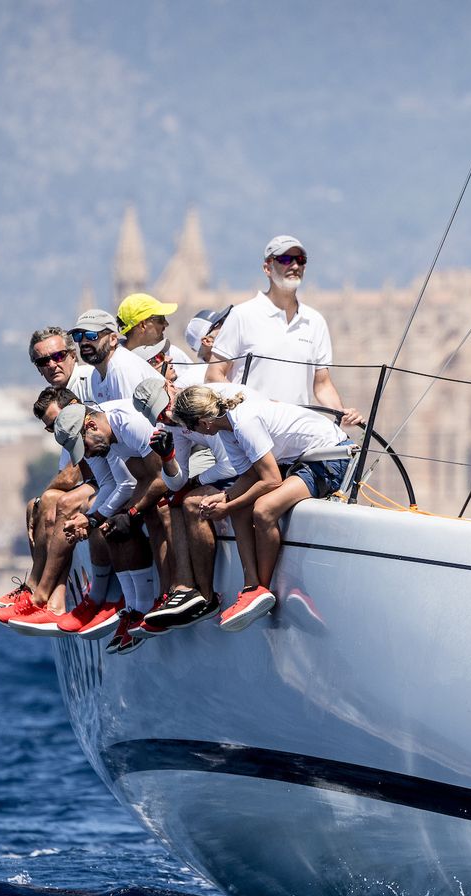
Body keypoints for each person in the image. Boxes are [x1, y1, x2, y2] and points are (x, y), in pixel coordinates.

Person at [171, 384, 349, 631]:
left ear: (203, 422)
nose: (189, 432)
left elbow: (271, 480)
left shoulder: (244, 423)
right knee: (240, 509)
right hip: (298, 460)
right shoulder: (225, 430)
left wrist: (228, 504)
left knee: (264, 509)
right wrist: (226, 499)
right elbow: (248, 477)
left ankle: (260, 591)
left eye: (189, 427)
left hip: (328, 457)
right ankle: (250, 586)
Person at [0, 328, 98, 625]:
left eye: (58, 356)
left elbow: (77, 467)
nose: (52, 364)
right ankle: (49, 597)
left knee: (51, 502)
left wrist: (41, 500)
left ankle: (39, 594)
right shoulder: (60, 397)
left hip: (110, 480)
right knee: (47, 502)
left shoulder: (87, 388)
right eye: (43, 361)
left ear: (72, 355)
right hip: (97, 481)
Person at [53, 396, 174, 653]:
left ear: (90, 426)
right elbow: (127, 483)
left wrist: (128, 513)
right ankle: (134, 610)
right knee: (112, 525)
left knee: (150, 514)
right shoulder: (108, 438)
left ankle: (165, 596)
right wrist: (96, 518)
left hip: (179, 467)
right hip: (157, 476)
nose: (86, 455)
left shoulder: (127, 424)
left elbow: (160, 479)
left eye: (83, 446)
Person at [205, 235, 362, 426]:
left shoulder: (315, 321)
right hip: (250, 430)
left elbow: (321, 384)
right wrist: (250, 406)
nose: (295, 266)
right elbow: (214, 376)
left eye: (300, 260)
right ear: (267, 268)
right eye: (286, 260)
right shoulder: (242, 315)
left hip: (298, 431)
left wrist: (341, 412)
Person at [130, 376, 244, 629]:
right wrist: (168, 458)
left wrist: (193, 483)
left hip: (256, 461)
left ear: (171, 387)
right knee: (172, 502)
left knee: (192, 502)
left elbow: (227, 465)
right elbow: (175, 484)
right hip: (239, 463)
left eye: (165, 408)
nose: (166, 417)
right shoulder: (172, 422)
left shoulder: (200, 403)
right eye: (159, 416)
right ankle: (184, 588)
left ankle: (205, 596)